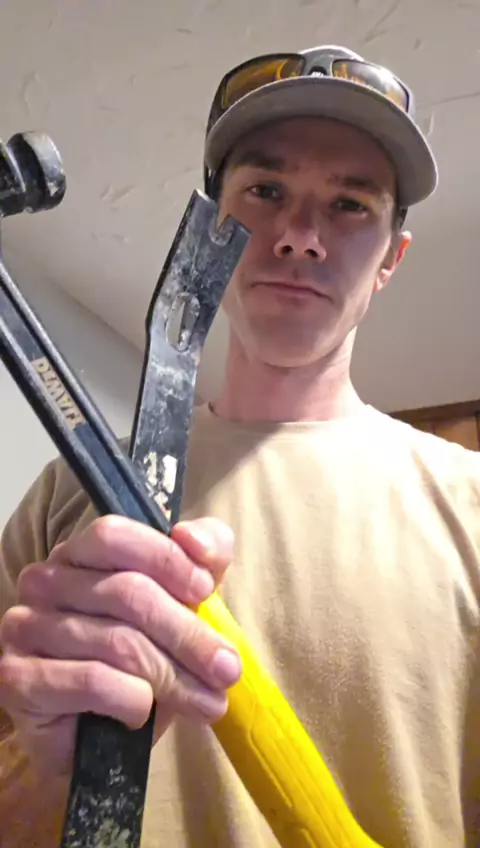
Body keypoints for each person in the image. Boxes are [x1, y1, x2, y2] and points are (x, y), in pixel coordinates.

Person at [0, 42, 478, 847]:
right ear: (213, 222)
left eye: (350, 204)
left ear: (391, 261)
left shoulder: (471, 502)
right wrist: (48, 771)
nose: (300, 236)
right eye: (265, 191)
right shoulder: (65, 497)